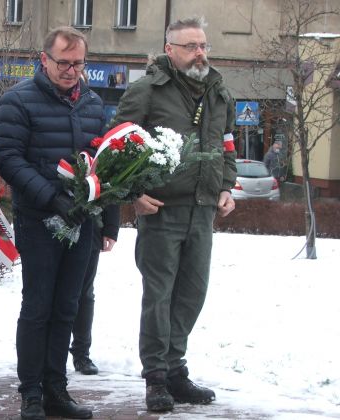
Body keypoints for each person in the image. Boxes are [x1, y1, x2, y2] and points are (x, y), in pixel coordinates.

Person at [110, 16, 237, 412]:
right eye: (190, 46)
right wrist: (134, 194)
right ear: (170, 50)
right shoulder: (147, 90)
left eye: (203, 45)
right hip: (162, 210)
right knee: (159, 297)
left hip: (203, 210)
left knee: (191, 294)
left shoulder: (219, 92)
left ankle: (175, 367)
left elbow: (228, 144)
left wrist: (227, 186)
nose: (199, 52)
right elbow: (116, 145)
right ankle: (157, 378)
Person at [0, 26, 105, 420]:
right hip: (40, 219)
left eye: (78, 63)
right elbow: (7, 156)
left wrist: (106, 218)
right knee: (38, 306)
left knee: (68, 307)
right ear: (44, 59)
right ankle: (32, 393)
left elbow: (102, 162)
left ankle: (57, 387)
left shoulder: (92, 102)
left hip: (82, 221)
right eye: (63, 62)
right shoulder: (17, 100)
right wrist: (51, 197)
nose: (71, 70)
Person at [70, 207, 119, 375]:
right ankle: (48, 353)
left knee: (84, 294)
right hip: (50, 225)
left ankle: (81, 353)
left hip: (90, 226)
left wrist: (111, 227)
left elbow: (110, 186)